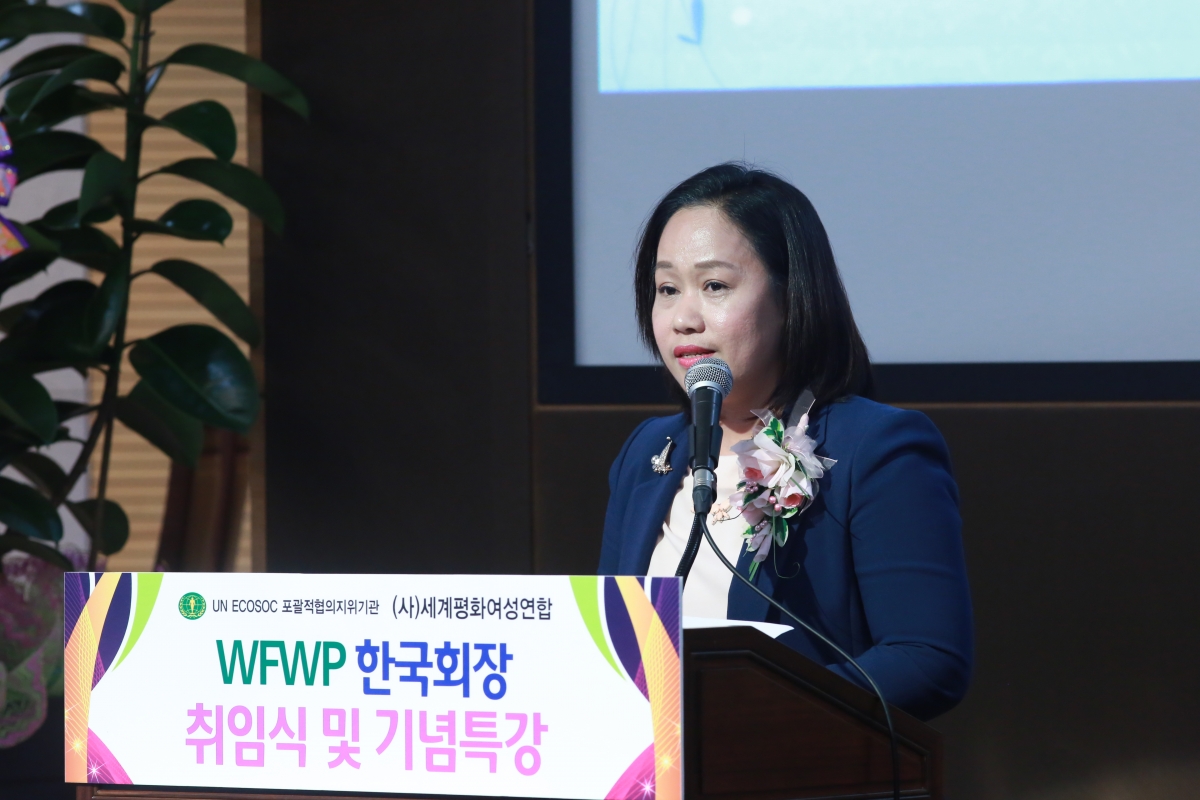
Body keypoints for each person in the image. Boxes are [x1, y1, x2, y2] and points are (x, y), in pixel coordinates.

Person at [598, 163, 973, 721]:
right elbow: (611, 645)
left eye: (715, 286)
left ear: (791, 296)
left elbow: (927, 659)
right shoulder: (650, 451)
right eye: (667, 289)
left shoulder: (876, 448)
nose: (683, 318)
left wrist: (751, 713)